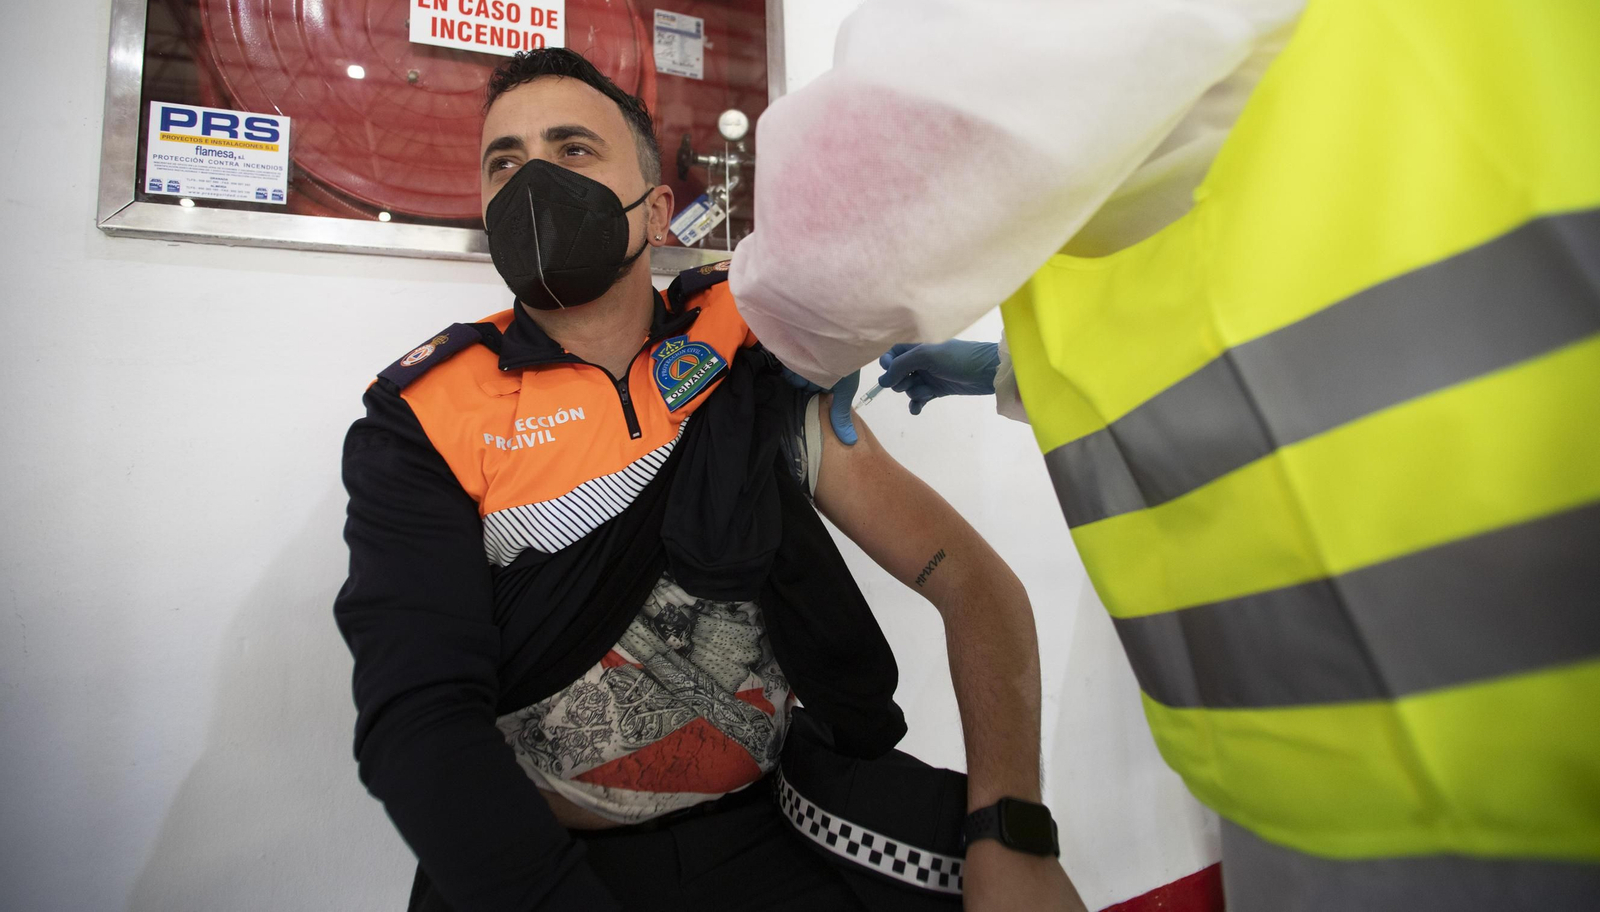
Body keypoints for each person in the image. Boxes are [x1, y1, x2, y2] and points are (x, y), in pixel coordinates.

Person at [730, 0, 1600, 909]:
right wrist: (1002, 371)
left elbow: (845, 232)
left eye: (905, 2)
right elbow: (1299, 271)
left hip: (1459, 723)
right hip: (1435, 698)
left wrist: (748, 325)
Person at [334, 47, 1087, 912]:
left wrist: (1012, 831)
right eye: (504, 161)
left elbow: (973, 583)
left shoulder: (746, 358)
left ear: (658, 211)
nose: (532, 181)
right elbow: (420, 724)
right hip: (539, 874)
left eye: (572, 149)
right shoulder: (428, 413)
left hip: (770, 832)